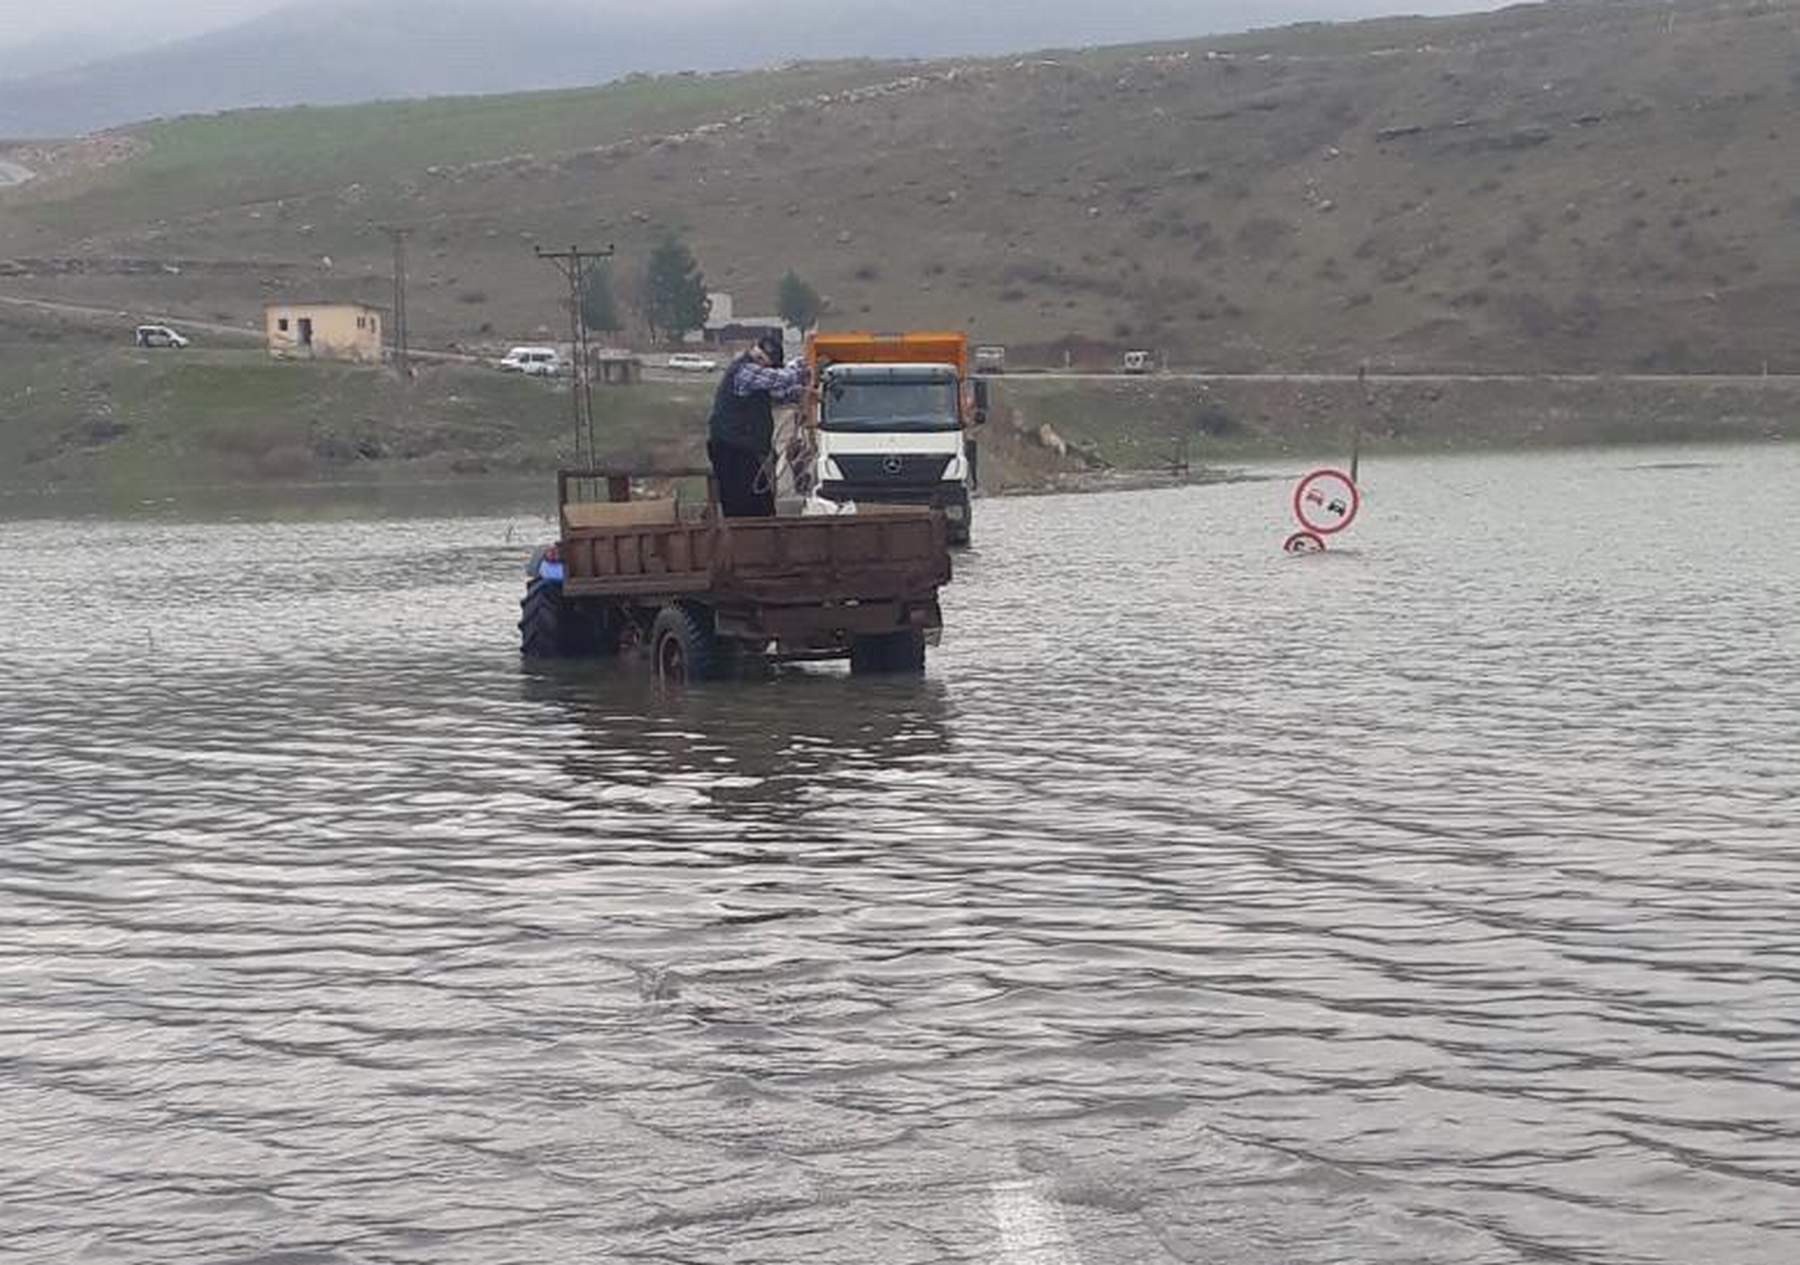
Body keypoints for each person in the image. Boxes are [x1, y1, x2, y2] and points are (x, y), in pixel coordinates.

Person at [707, 332, 811, 518]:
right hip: (733, 448)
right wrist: (806, 364)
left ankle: (751, 537)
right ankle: (748, 539)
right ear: (765, 360)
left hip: (742, 448)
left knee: (758, 504)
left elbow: (778, 394)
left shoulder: (752, 378)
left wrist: (802, 392)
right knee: (745, 506)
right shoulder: (744, 371)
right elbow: (782, 379)